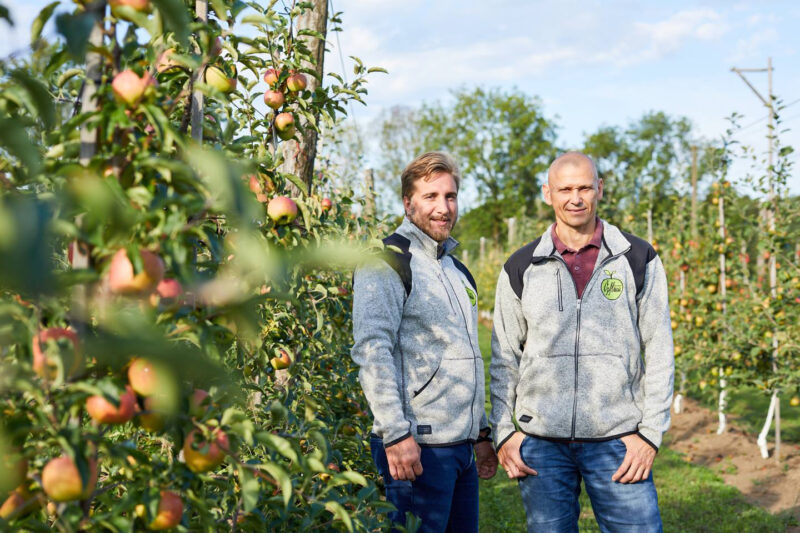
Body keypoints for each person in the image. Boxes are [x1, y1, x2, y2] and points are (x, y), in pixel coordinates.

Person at [490, 151, 674, 532]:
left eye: (585, 187)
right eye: (565, 189)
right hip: (541, 443)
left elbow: (659, 349)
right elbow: (504, 355)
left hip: (618, 439)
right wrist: (504, 432)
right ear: (547, 193)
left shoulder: (637, 258)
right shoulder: (522, 266)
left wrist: (650, 435)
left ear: (600, 189)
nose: (576, 198)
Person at [351, 151, 498, 532]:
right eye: (431, 197)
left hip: (461, 449)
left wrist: (480, 433)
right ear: (407, 203)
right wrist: (396, 433)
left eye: (450, 197)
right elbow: (372, 349)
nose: (443, 208)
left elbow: (463, 356)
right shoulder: (387, 261)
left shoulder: (458, 270)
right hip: (416, 448)